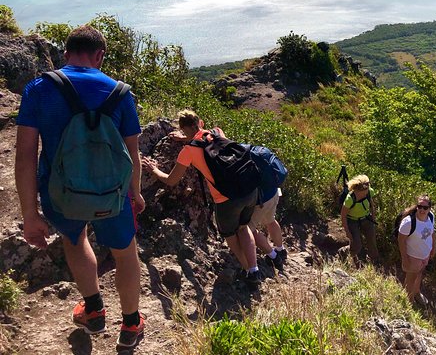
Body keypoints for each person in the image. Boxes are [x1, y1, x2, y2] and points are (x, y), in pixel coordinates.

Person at [15, 26, 146, 348]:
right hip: (113, 192)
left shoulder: (39, 89)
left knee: (75, 239)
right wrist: (137, 191)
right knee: (125, 253)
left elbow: (25, 156)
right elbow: (133, 153)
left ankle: (93, 310)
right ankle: (130, 325)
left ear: (65, 54)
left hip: (61, 193)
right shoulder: (120, 92)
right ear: (100, 55)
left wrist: (30, 214)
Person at [142, 110, 262, 287]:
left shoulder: (188, 151)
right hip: (249, 190)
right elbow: (205, 141)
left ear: (184, 129)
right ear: (200, 122)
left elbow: (172, 180)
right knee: (243, 228)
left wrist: (154, 169)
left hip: (226, 200)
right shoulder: (217, 132)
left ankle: (248, 272)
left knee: (229, 235)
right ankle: (254, 269)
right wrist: (187, 137)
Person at [397, 194, 436, 305]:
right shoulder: (409, 222)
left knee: (419, 273)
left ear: (430, 208)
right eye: (419, 206)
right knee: (411, 278)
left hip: (425, 255)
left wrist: (433, 247)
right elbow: (401, 241)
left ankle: (416, 292)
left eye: (425, 207)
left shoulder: (431, 217)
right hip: (412, 256)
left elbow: (432, 233)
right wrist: (405, 258)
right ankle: (408, 300)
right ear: (416, 206)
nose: (422, 210)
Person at [340, 174, 379, 266]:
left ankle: (375, 260)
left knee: (371, 240)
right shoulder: (350, 199)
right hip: (352, 221)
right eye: (365, 191)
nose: (367, 192)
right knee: (356, 244)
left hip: (366, 218)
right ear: (359, 190)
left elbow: (371, 205)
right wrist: (347, 232)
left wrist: (373, 217)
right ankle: (346, 252)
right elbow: (343, 216)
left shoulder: (369, 192)